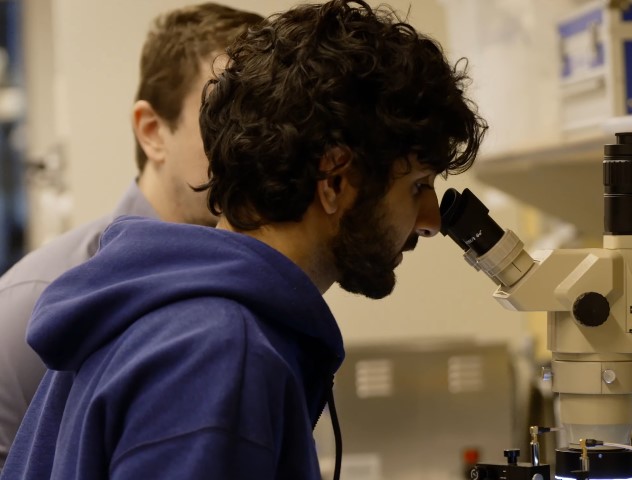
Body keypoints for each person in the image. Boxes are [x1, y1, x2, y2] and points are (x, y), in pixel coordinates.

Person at [1, 0, 488, 479]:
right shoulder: (218, 356)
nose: (430, 220)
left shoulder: (168, 312)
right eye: (418, 185)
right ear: (335, 180)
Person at [0, 3, 265, 469]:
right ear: (152, 132)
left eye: (265, 123)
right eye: (224, 118)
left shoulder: (257, 284)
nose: (251, 146)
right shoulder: (33, 302)